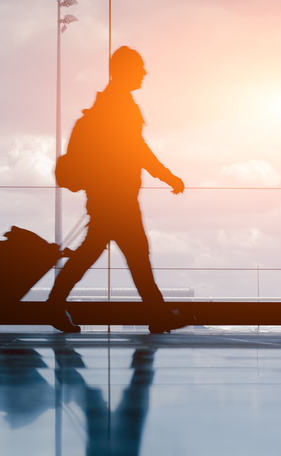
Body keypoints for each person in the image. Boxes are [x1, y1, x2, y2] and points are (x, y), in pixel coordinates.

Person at [49, 47, 186, 334]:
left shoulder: (110, 104)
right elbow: (137, 150)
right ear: (124, 71)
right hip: (117, 197)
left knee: (104, 253)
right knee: (135, 254)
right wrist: (167, 175)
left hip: (107, 195)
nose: (144, 73)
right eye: (139, 68)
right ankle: (158, 314)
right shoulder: (120, 105)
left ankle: (54, 304)